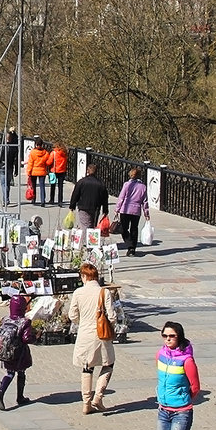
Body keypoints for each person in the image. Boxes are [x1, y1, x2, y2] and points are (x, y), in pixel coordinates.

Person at [67, 263, 118, 415]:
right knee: (108, 363)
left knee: (87, 366)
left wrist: (81, 322)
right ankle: (98, 397)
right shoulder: (104, 292)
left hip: (84, 334)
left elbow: (72, 315)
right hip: (101, 335)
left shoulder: (78, 293)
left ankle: (86, 402)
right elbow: (112, 316)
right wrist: (111, 326)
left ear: (84, 276)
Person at [0, 293, 36, 411]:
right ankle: (19, 396)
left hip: (7, 352)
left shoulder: (5, 319)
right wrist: (35, 337)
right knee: (21, 373)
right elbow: (26, 338)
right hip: (19, 353)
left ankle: (1, 391)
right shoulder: (24, 322)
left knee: (9, 373)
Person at [114, 167, 150, 257]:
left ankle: (129, 245)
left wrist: (117, 209)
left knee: (124, 229)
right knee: (134, 228)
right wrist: (146, 213)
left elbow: (121, 197)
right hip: (136, 210)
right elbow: (145, 201)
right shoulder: (143, 187)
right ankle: (133, 248)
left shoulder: (127, 185)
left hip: (125, 209)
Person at [69, 163, 110, 230]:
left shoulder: (81, 182)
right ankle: (91, 239)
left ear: (87, 171)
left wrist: (72, 206)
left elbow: (75, 194)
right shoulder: (101, 184)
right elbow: (105, 198)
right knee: (92, 226)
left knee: (85, 225)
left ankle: (85, 240)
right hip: (96, 207)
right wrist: (105, 210)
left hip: (83, 207)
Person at [0, 128, 20, 205]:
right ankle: (6, 198)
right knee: (7, 184)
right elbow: (16, 160)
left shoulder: (1, 147)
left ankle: (5, 199)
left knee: (4, 184)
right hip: (9, 167)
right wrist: (16, 170)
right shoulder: (14, 147)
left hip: (2, 167)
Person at [25, 140, 51, 207]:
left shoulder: (33, 153)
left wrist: (29, 172)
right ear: (42, 145)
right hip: (42, 171)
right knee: (42, 186)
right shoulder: (46, 153)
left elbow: (30, 163)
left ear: (35, 144)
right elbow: (48, 162)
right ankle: (43, 201)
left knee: (33, 186)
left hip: (34, 171)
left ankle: (34, 199)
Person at [47, 142, 69, 207]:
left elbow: (49, 162)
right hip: (62, 171)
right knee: (60, 187)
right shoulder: (64, 153)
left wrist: (46, 163)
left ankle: (52, 199)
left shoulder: (53, 153)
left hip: (54, 170)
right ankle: (60, 201)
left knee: (53, 185)